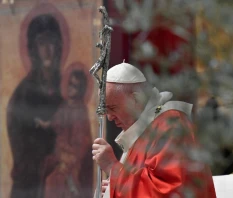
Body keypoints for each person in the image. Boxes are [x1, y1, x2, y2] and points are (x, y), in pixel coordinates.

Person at [92, 62, 216, 198]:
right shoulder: (146, 129)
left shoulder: (170, 125)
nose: (109, 117)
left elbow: (167, 191)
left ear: (136, 99)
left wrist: (112, 167)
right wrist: (114, 187)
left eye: (113, 108)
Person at [7, 14, 63, 198]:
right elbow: (23, 153)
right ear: (33, 49)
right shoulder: (22, 96)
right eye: (42, 43)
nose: (48, 50)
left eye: (52, 42)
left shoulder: (66, 89)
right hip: (30, 188)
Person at [35, 69, 93, 198]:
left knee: (56, 182)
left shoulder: (80, 110)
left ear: (81, 89)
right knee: (47, 174)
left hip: (73, 158)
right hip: (60, 152)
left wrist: (70, 159)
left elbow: (83, 141)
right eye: (70, 84)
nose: (71, 88)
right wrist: (45, 124)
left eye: (76, 86)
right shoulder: (64, 105)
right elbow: (56, 122)